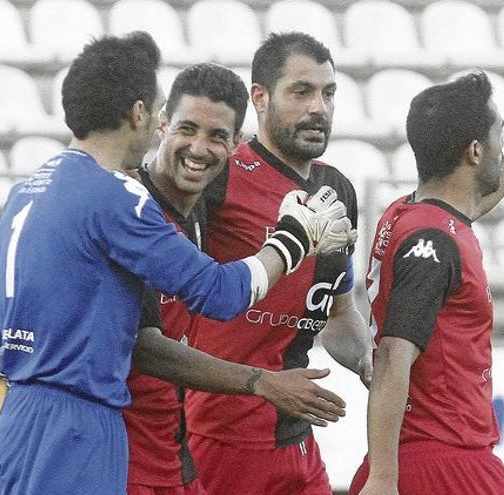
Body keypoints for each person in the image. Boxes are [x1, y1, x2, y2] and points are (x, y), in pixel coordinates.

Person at [0, 32, 355, 495]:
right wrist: (293, 237)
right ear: (146, 117)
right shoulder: (120, 198)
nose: (200, 147)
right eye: (177, 122)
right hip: (85, 424)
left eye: (218, 136)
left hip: (47, 418)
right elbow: (218, 294)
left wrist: (26, 369)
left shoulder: (30, 188)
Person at [350, 64, 504, 495]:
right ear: (475, 151)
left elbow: (474, 200)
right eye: (500, 137)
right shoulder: (433, 244)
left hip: (414, 458)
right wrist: (383, 480)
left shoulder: (408, 215)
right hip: (444, 462)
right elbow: (394, 356)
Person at [124, 62, 348, 495]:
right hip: (131, 451)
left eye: (217, 137)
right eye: (187, 129)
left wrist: (367, 361)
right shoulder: (130, 207)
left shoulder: (191, 215)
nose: (199, 148)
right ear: (161, 124)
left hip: (174, 448)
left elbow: (340, 308)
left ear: (234, 146)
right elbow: (153, 340)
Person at [184, 32, 375, 495]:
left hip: (298, 437)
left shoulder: (337, 191)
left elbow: (337, 312)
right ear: (260, 98)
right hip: (218, 437)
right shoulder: (221, 174)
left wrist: (372, 364)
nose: (319, 107)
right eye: (301, 92)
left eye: (329, 94)